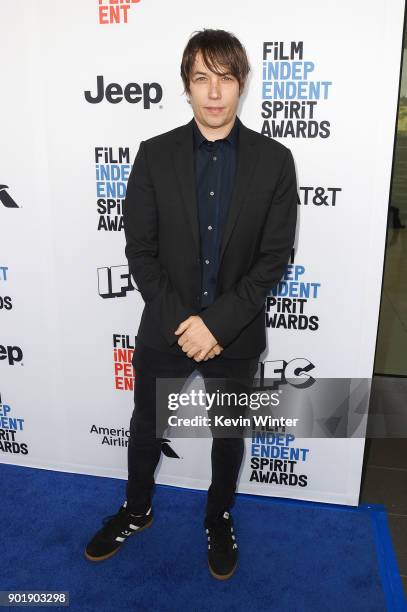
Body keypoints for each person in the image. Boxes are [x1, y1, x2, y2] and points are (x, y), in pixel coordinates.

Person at [85, 28, 298, 580]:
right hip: (166, 328)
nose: (214, 91)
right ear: (186, 86)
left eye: (225, 78)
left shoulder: (274, 161)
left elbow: (273, 258)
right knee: (145, 429)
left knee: (229, 436)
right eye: (202, 78)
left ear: (241, 85)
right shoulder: (154, 156)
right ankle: (136, 510)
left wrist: (218, 326)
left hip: (237, 333)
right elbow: (141, 250)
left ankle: (218, 515)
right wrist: (186, 323)